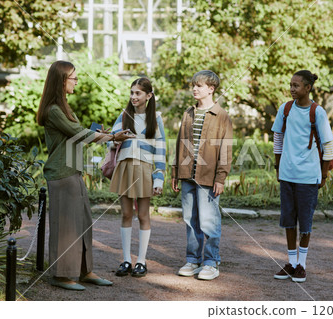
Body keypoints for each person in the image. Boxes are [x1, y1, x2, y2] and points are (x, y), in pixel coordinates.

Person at [36, 60, 132, 291]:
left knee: (83, 223)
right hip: (61, 173)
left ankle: (84, 271)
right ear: (61, 80)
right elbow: (78, 133)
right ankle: (61, 275)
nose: (76, 81)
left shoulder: (66, 108)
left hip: (73, 172)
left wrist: (100, 134)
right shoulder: (54, 111)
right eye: (73, 78)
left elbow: (78, 136)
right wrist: (111, 138)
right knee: (65, 226)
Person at [271, 70, 333, 283]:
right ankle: (290, 263)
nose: (292, 89)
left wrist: (324, 174)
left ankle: (302, 265)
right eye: (290, 85)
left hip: (309, 176)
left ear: (308, 88)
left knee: (305, 222)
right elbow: (278, 137)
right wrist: (278, 167)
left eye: (296, 85)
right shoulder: (285, 109)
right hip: (288, 174)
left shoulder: (318, 112)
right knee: (289, 220)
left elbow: (328, 144)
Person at [171, 70, 233, 281]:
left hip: (208, 178)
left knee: (209, 221)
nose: (194, 89)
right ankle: (193, 260)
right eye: (193, 85)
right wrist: (175, 170)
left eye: (199, 86)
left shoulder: (221, 115)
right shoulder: (188, 113)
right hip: (187, 174)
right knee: (190, 220)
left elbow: (225, 149)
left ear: (211, 89)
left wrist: (221, 178)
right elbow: (180, 142)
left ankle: (211, 262)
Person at [109, 77, 166, 278]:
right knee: (125, 214)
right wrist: (116, 139)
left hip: (144, 169)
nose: (134, 96)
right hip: (125, 166)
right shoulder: (123, 116)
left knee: (143, 215)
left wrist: (159, 177)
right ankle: (126, 260)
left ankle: (141, 261)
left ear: (148, 96)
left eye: (138, 93)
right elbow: (111, 142)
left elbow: (161, 149)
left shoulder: (156, 119)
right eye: (132, 92)